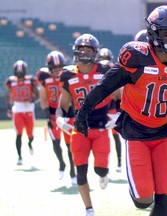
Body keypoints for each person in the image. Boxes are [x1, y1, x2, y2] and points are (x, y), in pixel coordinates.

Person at [74, 5, 167, 216]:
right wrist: (83, 112)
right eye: (166, 32)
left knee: (164, 199)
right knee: (143, 201)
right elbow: (105, 86)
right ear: (153, 32)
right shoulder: (137, 57)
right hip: (136, 132)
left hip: (165, 132)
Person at [56, 33, 122, 216]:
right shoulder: (68, 74)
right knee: (81, 173)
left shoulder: (105, 70)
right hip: (80, 128)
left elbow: (121, 96)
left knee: (100, 169)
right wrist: (60, 119)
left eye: (88, 50)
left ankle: (104, 173)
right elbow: (63, 105)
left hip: (101, 127)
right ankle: (89, 209)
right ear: (76, 52)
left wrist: (118, 115)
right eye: (81, 50)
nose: (84, 53)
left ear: (95, 52)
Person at [36, 50, 77, 185]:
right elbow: (43, 97)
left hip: (67, 112)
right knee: (56, 143)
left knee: (70, 144)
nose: (57, 70)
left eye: (59, 67)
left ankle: (72, 171)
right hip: (53, 113)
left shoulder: (68, 74)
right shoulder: (44, 77)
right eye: (54, 68)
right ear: (49, 68)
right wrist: (47, 113)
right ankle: (61, 164)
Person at [5, 60, 39, 165]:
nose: (19, 74)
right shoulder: (11, 82)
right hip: (18, 109)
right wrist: (9, 108)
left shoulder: (30, 80)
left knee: (30, 134)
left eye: (21, 72)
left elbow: (37, 94)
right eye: (18, 72)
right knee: (18, 134)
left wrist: (32, 100)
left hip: (28, 109)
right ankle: (19, 157)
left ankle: (30, 143)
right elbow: (9, 95)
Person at [97, 47, 123, 172]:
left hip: (108, 108)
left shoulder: (100, 69)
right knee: (110, 137)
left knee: (110, 137)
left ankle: (115, 162)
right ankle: (115, 163)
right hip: (108, 108)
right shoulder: (109, 68)